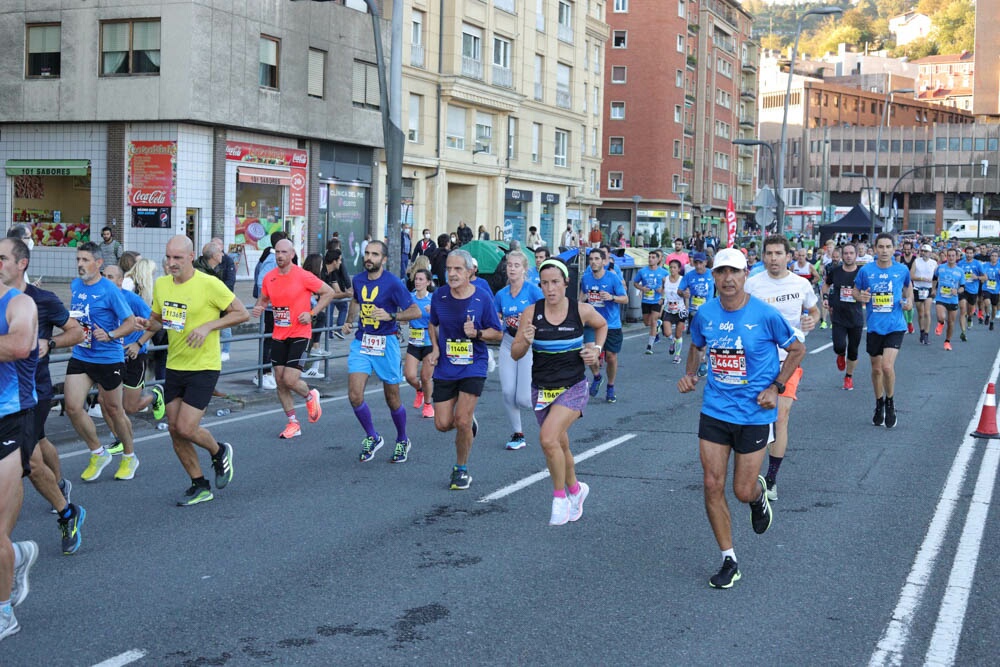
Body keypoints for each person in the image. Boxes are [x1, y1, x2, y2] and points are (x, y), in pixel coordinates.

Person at [677, 247, 805, 589]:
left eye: (734, 272)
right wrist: (691, 374)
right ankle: (728, 559)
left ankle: (757, 496)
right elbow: (696, 344)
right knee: (710, 483)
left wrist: (777, 387)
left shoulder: (765, 314)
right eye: (721, 273)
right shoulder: (704, 314)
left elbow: (796, 349)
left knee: (742, 489)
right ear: (714, 277)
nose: (728, 279)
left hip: (754, 412)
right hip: (716, 409)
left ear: (745, 275)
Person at [144, 235, 247, 505]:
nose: (171, 263)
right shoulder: (162, 285)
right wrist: (142, 327)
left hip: (204, 366)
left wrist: (208, 326)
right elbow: (159, 321)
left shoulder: (209, 284)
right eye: (168, 257)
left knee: (187, 428)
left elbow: (241, 313)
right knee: (174, 430)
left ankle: (219, 450)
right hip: (175, 365)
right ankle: (199, 484)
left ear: (191, 257)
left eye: (177, 258)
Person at [0, 237, 86, 558]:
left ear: (22, 264)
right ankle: (64, 505)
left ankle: (61, 514)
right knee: (34, 459)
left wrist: (52, 343)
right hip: (6, 397)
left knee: (30, 465)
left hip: (31, 393)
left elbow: (77, 332)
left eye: (3, 258)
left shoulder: (41, 299)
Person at [510, 258, 606, 524]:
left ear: (566, 283)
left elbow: (602, 325)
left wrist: (596, 350)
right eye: (544, 283)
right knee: (560, 444)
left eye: (555, 282)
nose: (550, 289)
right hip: (541, 388)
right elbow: (516, 353)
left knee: (548, 439)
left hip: (573, 386)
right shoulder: (531, 313)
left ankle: (560, 498)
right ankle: (576, 490)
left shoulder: (581, 311)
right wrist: (526, 340)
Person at [745, 235, 818, 501]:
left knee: (781, 415)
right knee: (754, 417)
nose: (773, 258)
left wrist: (811, 321)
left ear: (788, 256)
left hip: (789, 358)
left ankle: (772, 479)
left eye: (778, 253)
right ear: (763, 257)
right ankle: (749, 471)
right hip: (756, 360)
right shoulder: (752, 285)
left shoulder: (801, 284)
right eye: (769, 253)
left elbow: (813, 310)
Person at [427, 249, 503, 489]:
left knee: (461, 419)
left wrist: (477, 333)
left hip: (474, 364)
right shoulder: (439, 296)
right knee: (442, 424)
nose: (452, 273)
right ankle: (469, 424)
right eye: (448, 269)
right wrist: (436, 349)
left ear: (470, 272)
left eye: (458, 269)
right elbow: (432, 324)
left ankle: (461, 469)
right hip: (446, 366)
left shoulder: (482, 297)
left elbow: (498, 332)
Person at [64, 242, 139, 482]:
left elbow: (129, 322)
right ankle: (98, 452)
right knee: (73, 407)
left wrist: (110, 335)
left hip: (108, 357)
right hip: (81, 354)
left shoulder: (110, 290)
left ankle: (129, 456)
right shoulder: (75, 285)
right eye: (78, 260)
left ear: (98, 264)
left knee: (114, 410)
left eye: (85, 260)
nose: (80, 265)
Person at [342, 241, 422, 463]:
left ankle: (402, 439)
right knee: (355, 395)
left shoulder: (394, 284)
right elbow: (356, 301)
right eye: (367, 253)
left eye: (374, 254)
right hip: (362, 342)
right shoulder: (358, 280)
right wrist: (349, 322)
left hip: (386, 343)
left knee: (392, 397)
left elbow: (415, 311)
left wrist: (391, 317)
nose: (369, 257)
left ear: (383, 260)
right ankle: (372, 436)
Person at [252, 240, 334, 439]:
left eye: (284, 252)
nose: (279, 255)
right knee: (280, 382)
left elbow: (329, 292)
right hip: (279, 333)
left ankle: (309, 395)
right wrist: (259, 307)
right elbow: (263, 299)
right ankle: (293, 423)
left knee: (290, 379)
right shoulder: (269, 277)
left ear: (292, 254)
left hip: (300, 332)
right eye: (277, 252)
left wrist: (312, 313)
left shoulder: (302, 275)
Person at [0, 238, 39, 641]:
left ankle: (4, 612)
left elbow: (17, 345)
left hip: (9, 418)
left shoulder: (20, 303)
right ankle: (18, 554)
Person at [854, 233, 913, 429]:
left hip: (895, 325)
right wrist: (860, 296)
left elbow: (908, 287)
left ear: (893, 248)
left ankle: (890, 402)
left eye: (888, 247)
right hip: (874, 326)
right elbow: (856, 290)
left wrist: (909, 301)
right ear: (875, 249)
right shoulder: (866, 271)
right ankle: (879, 403)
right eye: (881, 247)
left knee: (887, 367)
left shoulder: (901, 269)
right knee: (876, 369)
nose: (885, 251)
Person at [102, 265, 165, 430]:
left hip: (133, 356)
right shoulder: (100, 299)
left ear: (120, 281)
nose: (105, 280)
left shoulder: (132, 300)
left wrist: (138, 344)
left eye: (110, 277)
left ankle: (155, 395)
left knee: (130, 407)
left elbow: (156, 325)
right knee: (105, 401)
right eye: (103, 276)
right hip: (111, 358)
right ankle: (120, 439)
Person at [494, 250, 544, 450]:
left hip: (527, 345)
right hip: (508, 343)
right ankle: (518, 434)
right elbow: (495, 316)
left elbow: (545, 314)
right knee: (507, 392)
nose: (512, 268)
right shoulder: (501, 294)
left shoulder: (532, 291)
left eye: (516, 265)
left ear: (525, 269)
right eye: (509, 265)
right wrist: (496, 321)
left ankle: (550, 410)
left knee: (523, 399)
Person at [579, 248, 627, 403]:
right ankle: (597, 377)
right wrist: (583, 301)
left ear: (603, 261)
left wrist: (612, 297)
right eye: (591, 259)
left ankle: (611, 386)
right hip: (592, 323)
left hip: (611, 324)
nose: (593, 262)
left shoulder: (612, 278)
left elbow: (625, 299)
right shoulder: (585, 278)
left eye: (596, 259)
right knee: (589, 352)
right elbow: (581, 299)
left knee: (611, 357)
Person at [825, 243, 864, 390]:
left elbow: (868, 289)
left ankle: (848, 377)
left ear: (856, 255)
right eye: (846, 253)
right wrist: (825, 297)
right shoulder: (835, 271)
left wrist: (864, 296)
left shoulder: (862, 272)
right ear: (842, 255)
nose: (848, 256)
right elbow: (826, 285)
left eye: (851, 253)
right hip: (839, 316)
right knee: (839, 345)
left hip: (856, 317)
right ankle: (840, 354)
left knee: (853, 350)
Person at [404, 268, 435, 419]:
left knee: (425, 376)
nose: (417, 282)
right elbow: (403, 318)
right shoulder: (409, 298)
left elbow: (442, 319)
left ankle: (428, 405)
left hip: (429, 341)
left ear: (428, 282)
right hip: (414, 340)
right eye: (416, 279)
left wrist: (435, 312)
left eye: (421, 279)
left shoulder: (433, 299)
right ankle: (420, 390)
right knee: (409, 376)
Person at [678, 252, 715, 376]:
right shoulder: (689, 276)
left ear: (705, 262)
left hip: (709, 310)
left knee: (704, 336)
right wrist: (684, 294)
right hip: (693, 311)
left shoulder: (712, 273)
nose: (698, 266)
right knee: (696, 340)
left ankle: (703, 361)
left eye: (701, 263)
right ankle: (701, 360)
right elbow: (680, 290)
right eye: (696, 263)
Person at [635, 250, 668, 355]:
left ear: (658, 260)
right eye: (649, 257)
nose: (650, 259)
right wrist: (642, 288)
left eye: (653, 257)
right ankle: (658, 323)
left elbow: (669, 286)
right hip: (646, 300)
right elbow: (635, 283)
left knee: (653, 321)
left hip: (657, 300)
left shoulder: (664, 272)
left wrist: (662, 290)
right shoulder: (642, 271)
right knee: (647, 323)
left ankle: (649, 346)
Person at [933, 248, 964, 350]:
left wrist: (957, 291)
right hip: (941, 297)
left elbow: (963, 287)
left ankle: (947, 341)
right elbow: (934, 277)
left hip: (953, 299)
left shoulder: (960, 271)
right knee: (941, 317)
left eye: (953, 256)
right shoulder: (941, 267)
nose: (951, 258)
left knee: (951, 323)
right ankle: (941, 323)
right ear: (946, 256)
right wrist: (933, 289)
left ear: (956, 257)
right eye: (949, 255)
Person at [659, 258, 687, 364]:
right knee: (667, 333)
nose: (672, 269)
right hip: (668, 309)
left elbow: (686, 294)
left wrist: (687, 307)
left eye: (675, 267)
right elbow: (663, 290)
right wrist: (662, 298)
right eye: (671, 267)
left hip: (680, 309)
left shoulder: (682, 280)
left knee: (679, 334)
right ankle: (672, 341)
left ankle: (677, 355)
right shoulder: (665, 279)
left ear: (679, 269)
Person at [321, 249, 353, 341]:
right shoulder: (321, 272)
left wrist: (347, 294)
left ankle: (332, 332)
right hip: (311, 303)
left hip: (320, 302)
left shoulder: (332, 273)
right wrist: (346, 294)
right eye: (339, 260)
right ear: (334, 261)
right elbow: (329, 295)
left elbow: (337, 292)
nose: (340, 263)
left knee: (329, 312)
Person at [956, 244, 985, 341]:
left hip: (973, 290)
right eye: (967, 253)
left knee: (970, 310)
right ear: (965, 253)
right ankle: (963, 332)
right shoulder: (960, 263)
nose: (969, 255)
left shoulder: (978, 264)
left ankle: (970, 318)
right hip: (963, 289)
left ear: (973, 254)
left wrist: (977, 277)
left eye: (970, 253)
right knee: (962, 309)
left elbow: (985, 277)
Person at [910, 244, 937, 345]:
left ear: (930, 253)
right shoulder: (916, 261)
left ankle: (926, 334)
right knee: (920, 313)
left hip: (928, 289)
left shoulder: (934, 263)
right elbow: (911, 275)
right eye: (923, 251)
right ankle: (921, 331)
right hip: (918, 288)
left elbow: (936, 277)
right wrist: (921, 278)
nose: (924, 253)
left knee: (927, 312)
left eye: (926, 251)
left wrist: (934, 289)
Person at [982, 250, 1000, 330]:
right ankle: (987, 315)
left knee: (994, 307)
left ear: (998, 257)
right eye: (992, 255)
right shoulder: (985, 265)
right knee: (987, 302)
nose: (993, 257)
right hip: (986, 288)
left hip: (996, 289)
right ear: (990, 257)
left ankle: (992, 321)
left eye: (995, 256)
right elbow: (981, 274)